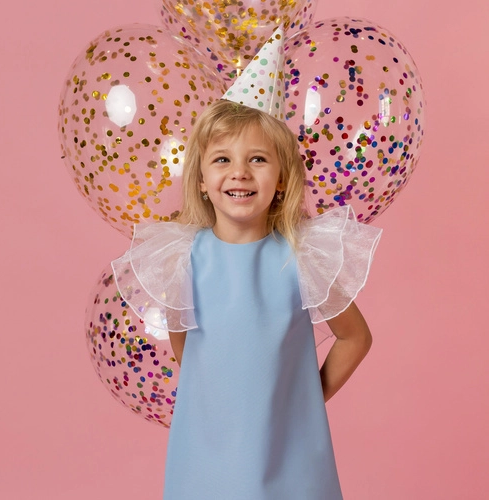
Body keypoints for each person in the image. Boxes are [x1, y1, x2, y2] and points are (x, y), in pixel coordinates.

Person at [112, 29, 382, 500]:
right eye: (222, 159)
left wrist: (304, 399)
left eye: (258, 159)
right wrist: (215, 402)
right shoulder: (182, 258)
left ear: (282, 179)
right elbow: (186, 343)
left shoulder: (300, 257)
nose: (239, 172)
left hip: (287, 449)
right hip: (207, 449)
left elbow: (355, 336)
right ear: (201, 179)